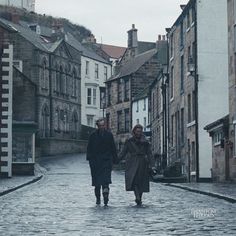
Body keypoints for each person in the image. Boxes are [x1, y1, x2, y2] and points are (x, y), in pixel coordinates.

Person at [118, 124, 156, 206]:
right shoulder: (129, 141)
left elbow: (149, 154)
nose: (139, 133)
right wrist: (116, 160)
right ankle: (137, 197)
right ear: (134, 131)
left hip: (143, 163)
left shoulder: (145, 142)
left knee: (141, 182)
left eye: (140, 131)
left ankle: (140, 197)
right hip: (132, 163)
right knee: (134, 180)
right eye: (137, 131)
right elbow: (123, 152)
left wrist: (152, 165)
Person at [86, 118, 118, 206]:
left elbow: (113, 148)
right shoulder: (93, 136)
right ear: (97, 126)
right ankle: (98, 198)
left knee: (106, 181)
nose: (102, 127)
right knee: (97, 184)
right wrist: (90, 160)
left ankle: (106, 196)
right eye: (100, 126)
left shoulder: (109, 135)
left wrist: (115, 159)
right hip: (96, 163)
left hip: (106, 162)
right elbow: (89, 148)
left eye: (103, 125)